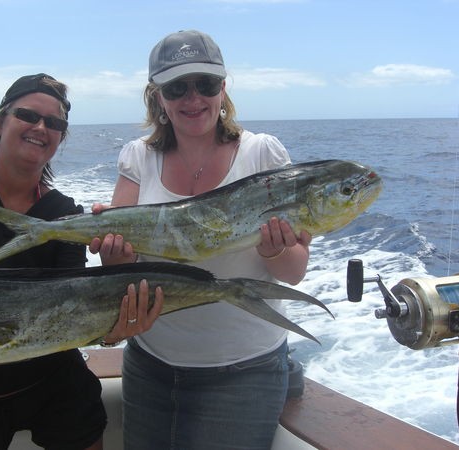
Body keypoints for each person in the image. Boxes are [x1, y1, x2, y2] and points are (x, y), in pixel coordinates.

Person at [0, 73, 162, 450]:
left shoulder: (64, 214)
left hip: (56, 383)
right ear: (0, 122)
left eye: (54, 123)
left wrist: (114, 306)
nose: (41, 127)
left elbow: (73, 306)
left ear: (60, 137)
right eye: (28, 115)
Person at [90, 30, 312, 449]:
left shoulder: (263, 154)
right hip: (149, 364)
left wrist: (276, 250)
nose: (193, 99)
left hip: (244, 372)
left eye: (205, 84)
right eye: (177, 88)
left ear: (223, 89)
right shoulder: (138, 157)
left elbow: (295, 272)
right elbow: (119, 271)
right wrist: (114, 254)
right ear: (158, 96)